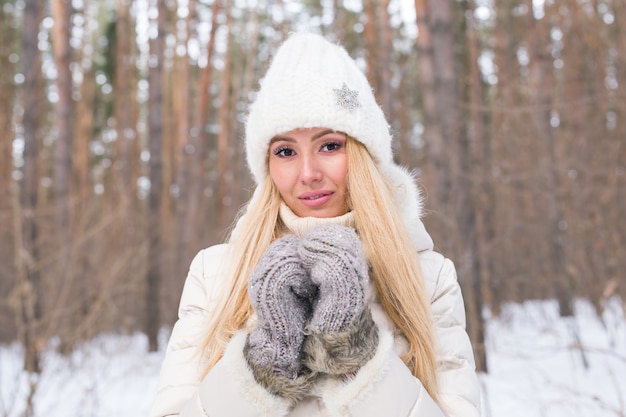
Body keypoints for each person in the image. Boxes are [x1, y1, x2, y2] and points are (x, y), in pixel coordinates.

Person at [150, 32, 481, 417]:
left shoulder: (429, 277)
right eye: (286, 151)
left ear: (363, 155)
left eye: (329, 146)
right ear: (268, 167)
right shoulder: (215, 274)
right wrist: (263, 367)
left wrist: (356, 353)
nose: (308, 173)